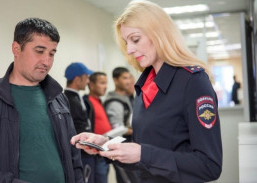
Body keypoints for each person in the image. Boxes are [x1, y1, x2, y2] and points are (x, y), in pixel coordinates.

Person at [71, 1, 222, 183]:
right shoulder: (145, 86)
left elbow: (209, 165)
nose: (129, 49)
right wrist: (105, 144)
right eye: (126, 42)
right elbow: (142, 155)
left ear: (159, 34)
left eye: (135, 39)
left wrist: (143, 154)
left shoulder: (193, 82)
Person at [0, 18, 84, 183]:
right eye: (39, 51)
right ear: (16, 49)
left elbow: (73, 157)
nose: (46, 61)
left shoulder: (58, 98)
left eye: (51, 54)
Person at [103, 67, 139, 183]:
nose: (128, 81)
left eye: (129, 78)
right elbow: (117, 129)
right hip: (119, 148)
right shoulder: (115, 102)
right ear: (115, 80)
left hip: (127, 147)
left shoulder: (125, 98)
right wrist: (135, 131)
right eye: (124, 78)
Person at [64, 62, 94, 183]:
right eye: (86, 77)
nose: (88, 82)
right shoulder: (69, 100)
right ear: (77, 79)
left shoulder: (75, 98)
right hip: (81, 153)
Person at [83, 72, 111, 183]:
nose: (105, 86)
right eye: (102, 83)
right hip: (95, 153)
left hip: (104, 151)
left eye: (106, 83)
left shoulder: (99, 101)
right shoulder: (86, 103)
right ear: (91, 84)